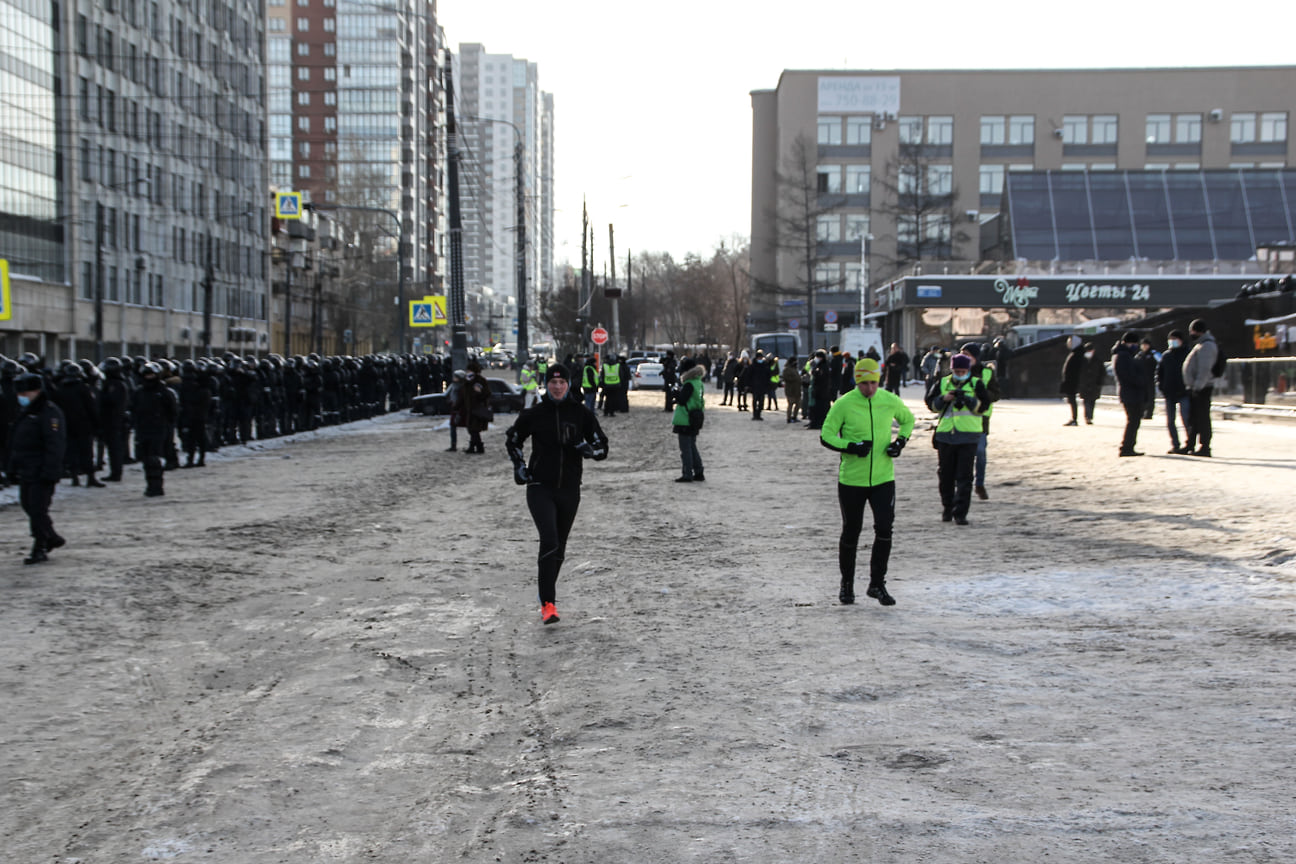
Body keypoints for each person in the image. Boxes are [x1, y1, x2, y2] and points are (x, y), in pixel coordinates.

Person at [505, 364, 609, 625]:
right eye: (553, 382)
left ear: (568, 385)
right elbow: (513, 440)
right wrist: (519, 466)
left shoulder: (581, 413)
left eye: (562, 383)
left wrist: (589, 450)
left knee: (559, 546)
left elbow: (602, 447)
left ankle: (548, 597)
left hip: (570, 489)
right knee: (549, 540)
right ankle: (548, 604)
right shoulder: (535, 414)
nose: (558, 387)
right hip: (540, 486)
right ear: (546, 384)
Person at [820, 358, 915, 606]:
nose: (870, 388)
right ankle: (847, 585)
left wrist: (900, 442)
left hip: (883, 478)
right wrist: (851, 446)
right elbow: (826, 435)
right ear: (856, 381)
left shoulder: (888, 399)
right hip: (852, 480)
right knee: (851, 530)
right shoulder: (844, 404)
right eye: (864, 383)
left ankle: (877, 584)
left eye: (873, 382)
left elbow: (908, 419)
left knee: (884, 529)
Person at [9, 372, 67, 564]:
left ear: (36, 391)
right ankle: (51, 536)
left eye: (26, 392)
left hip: (42, 470)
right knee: (28, 505)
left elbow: (54, 445)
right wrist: (12, 466)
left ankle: (40, 545)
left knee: (37, 509)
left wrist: (50, 471)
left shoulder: (49, 412)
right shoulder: (27, 413)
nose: (22, 397)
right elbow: (18, 442)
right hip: (27, 468)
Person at [927, 353, 989, 526]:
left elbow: (984, 407)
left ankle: (960, 513)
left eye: (963, 371)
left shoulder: (977, 384)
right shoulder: (943, 383)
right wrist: (943, 399)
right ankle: (947, 507)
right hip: (946, 435)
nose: (960, 373)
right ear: (952, 369)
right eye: (957, 371)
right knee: (945, 476)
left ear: (968, 370)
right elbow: (931, 404)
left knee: (965, 477)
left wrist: (968, 400)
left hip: (968, 436)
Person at [131, 362, 178, 496]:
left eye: (151, 374)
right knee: (146, 459)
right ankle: (150, 485)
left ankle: (157, 486)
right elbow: (133, 409)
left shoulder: (164, 392)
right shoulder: (139, 392)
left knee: (154, 459)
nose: (149, 377)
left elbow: (172, 412)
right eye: (147, 375)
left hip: (158, 429)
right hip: (142, 430)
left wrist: (166, 427)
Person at [961, 342, 1001, 499]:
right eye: (962, 354)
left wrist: (981, 396)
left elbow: (996, 394)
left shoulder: (987, 373)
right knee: (964, 456)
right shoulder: (957, 372)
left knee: (980, 452)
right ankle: (964, 484)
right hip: (960, 420)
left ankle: (979, 484)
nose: (965, 358)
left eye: (968, 355)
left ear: (975, 357)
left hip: (980, 419)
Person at [1181, 319, 1218, 457]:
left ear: (1198, 331)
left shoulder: (1206, 346)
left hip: (1202, 388)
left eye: (1192, 331)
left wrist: (1197, 386)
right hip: (1197, 387)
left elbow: (1204, 369)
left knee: (1202, 417)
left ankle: (1204, 447)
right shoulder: (1201, 344)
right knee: (1194, 418)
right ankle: (1190, 444)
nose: (1191, 334)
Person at [1112, 331, 1148, 457]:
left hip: (1128, 393)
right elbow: (1129, 376)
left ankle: (1128, 446)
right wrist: (1141, 381)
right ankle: (1127, 447)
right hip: (1131, 393)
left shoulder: (1122, 355)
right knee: (1133, 421)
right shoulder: (1124, 356)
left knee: (1133, 421)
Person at [671, 357, 706, 482]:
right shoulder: (699, 382)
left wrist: (675, 394)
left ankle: (687, 473)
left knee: (685, 449)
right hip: (695, 417)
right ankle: (699, 471)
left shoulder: (689, 383)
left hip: (685, 418)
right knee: (692, 446)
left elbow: (682, 400)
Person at [1157, 330, 1192, 454]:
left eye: (1175, 339)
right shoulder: (1166, 355)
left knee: (1186, 419)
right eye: (1170, 339)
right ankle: (1175, 444)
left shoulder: (1188, 353)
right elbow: (1159, 373)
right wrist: (1161, 387)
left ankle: (1190, 443)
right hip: (1169, 393)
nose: (1172, 341)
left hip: (1184, 391)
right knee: (1170, 421)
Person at [455, 360, 492, 454]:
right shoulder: (466, 382)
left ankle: (478, 447)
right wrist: (456, 406)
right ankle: (474, 447)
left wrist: (479, 393)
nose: (468, 372)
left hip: (477, 409)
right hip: (469, 409)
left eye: (469, 370)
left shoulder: (480, 381)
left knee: (474, 429)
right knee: (472, 429)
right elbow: (463, 396)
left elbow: (487, 393)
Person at [1078, 342, 1106, 425]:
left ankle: (1089, 416)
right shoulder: (1081, 360)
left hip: (1095, 384)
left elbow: (1102, 372)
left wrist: (1100, 381)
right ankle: (1087, 416)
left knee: (1092, 401)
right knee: (1086, 400)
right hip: (1084, 384)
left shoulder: (1098, 360)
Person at [1059, 336, 1085, 425]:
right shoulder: (1076, 353)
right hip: (1071, 381)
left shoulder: (1077, 354)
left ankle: (1074, 418)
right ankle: (1074, 418)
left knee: (1072, 399)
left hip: (1073, 381)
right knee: (1071, 399)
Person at [1136, 338, 1160, 420]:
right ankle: (1141, 412)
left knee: (1150, 397)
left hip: (1150, 378)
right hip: (1140, 379)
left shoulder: (1153, 353)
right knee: (1141, 397)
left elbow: (1161, 362)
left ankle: (1149, 413)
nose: (1144, 346)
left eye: (1146, 345)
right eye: (1143, 345)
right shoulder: (1139, 355)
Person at [781, 357, 802, 424]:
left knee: (798, 404)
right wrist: (795, 379)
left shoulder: (794, 369)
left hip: (797, 390)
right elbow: (786, 378)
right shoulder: (787, 369)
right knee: (790, 404)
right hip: (790, 390)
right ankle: (789, 418)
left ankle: (795, 417)